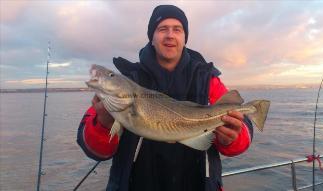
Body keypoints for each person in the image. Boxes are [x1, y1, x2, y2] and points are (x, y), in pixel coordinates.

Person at [77, 5, 253, 191]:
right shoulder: (128, 79)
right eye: (162, 29)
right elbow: (93, 150)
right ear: (152, 38)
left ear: (185, 38)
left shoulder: (207, 80)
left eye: (177, 29)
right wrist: (103, 124)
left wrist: (231, 138)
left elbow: (243, 135)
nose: (170, 35)